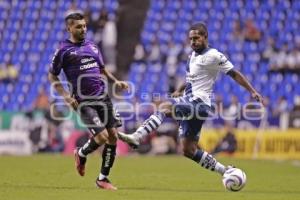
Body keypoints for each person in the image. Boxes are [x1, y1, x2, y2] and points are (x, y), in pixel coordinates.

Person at [118, 22, 264, 184]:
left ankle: (137, 136)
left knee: (165, 107)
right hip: (191, 102)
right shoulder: (192, 56)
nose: (193, 42)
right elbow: (190, 80)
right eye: (190, 39)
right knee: (189, 150)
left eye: (196, 38)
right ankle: (226, 170)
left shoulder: (214, 55)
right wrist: (180, 90)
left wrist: (252, 91)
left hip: (199, 103)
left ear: (205, 37)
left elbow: (234, 74)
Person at [48, 12, 129, 190]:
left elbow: (102, 69)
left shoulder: (92, 46)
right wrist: (66, 96)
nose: (83, 29)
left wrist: (116, 81)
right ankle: (81, 153)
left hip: (102, 96)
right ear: (69, 28)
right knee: (101, 137)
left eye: (84, 26)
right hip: (83, 101)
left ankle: (103, 179)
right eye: (78, 26)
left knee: (113, 136)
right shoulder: (63, 50)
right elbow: (52, 75)